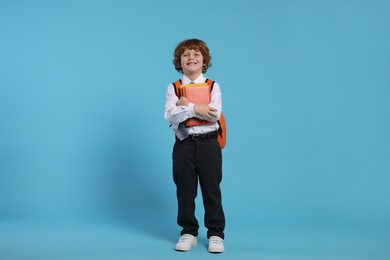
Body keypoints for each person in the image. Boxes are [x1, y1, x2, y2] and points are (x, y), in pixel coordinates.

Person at [164, 38, 226, 253]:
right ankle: (188, 232)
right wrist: (195, 109)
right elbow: (170, 115)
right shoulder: (174, 87)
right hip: (184, 144)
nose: (191, 58)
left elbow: (213, 114)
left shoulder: (213, 86)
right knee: (185, 190)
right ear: (179, 61)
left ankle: (216, 234)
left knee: (211, 189)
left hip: (209, 144)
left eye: (196, 54)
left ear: (204, 61)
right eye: (186, 55)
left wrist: (187, 106)